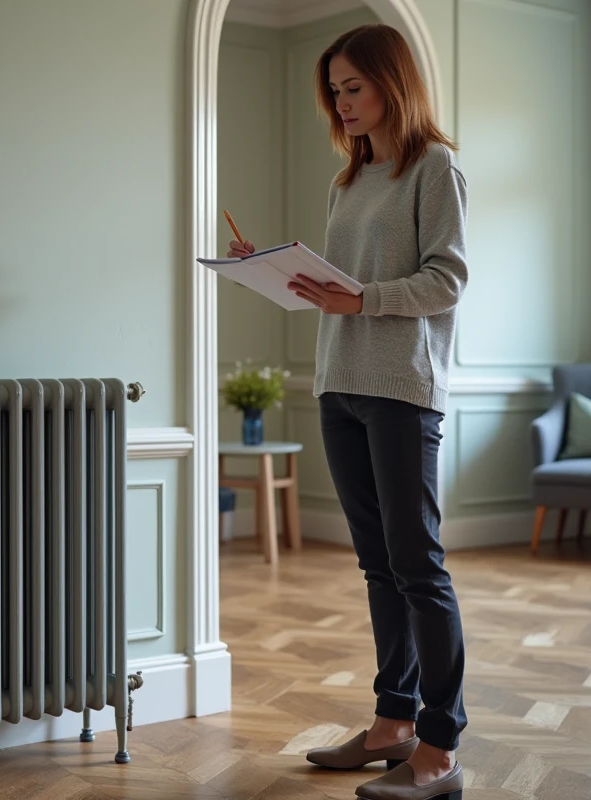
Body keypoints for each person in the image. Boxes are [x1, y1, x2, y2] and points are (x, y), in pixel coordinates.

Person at [227, 23, 468, 800]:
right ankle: (393, 723)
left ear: (391, 83)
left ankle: (440, 747)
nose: (341, 103)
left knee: (417, 566)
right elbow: (343, 285)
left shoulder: (435, 167)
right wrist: (277, 272)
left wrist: (361, 299)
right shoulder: (347, 181)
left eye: (353, 87)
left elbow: (447, 280)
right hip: (340, 383)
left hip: (402, 389)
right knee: (377, 566)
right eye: (333, 91)